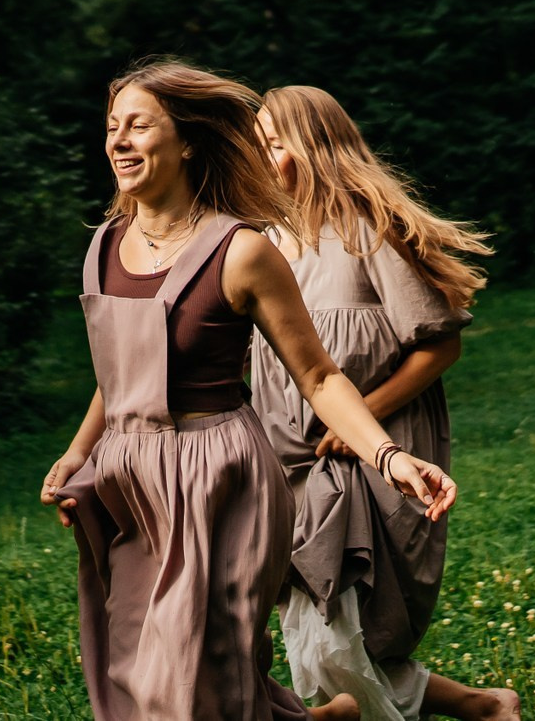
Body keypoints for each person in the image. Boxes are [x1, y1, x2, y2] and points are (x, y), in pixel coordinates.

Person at [41, 62, 458, 721]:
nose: (118, 139)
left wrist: (389, 456)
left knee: (192, 670)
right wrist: (77, 454)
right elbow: (119, 373)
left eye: (139, 124)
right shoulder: (102, 249)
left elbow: (319, 376)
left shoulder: (240, 251)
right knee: (134, 669)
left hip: (219, 477)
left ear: (186, 141)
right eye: (111, 126)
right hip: (129, 478)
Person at [250, 86, 518, 721]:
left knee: (341, 626)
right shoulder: (261, 244)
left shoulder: (368, 232)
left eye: (275, 145)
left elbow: (439, 347)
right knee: (314, 631)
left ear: (315, 149)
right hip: (291, 459)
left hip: (374, 451)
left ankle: (457, 708)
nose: (261, 158)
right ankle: (482, 707)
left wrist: (361, 423)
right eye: (255, 145)